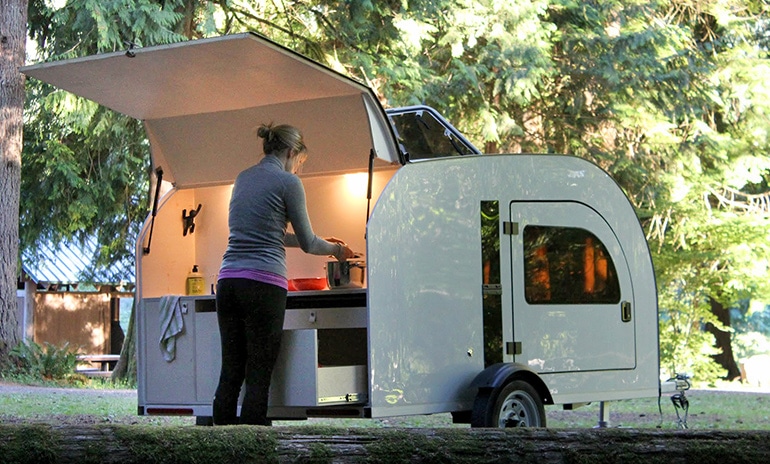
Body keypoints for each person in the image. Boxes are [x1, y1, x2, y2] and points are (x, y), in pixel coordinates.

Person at [213, 123, 355, 425]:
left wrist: (324, 242)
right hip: (263, 285)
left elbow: (269, 233)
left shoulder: (243, 178)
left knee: (231, 369)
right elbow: (308, 243)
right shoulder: (288, 183)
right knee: (259, 370)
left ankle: (217, 444)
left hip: (228, 281)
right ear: (292, 152)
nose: (296, 167)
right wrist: (338, 251)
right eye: (298, 161)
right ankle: (253, 445)